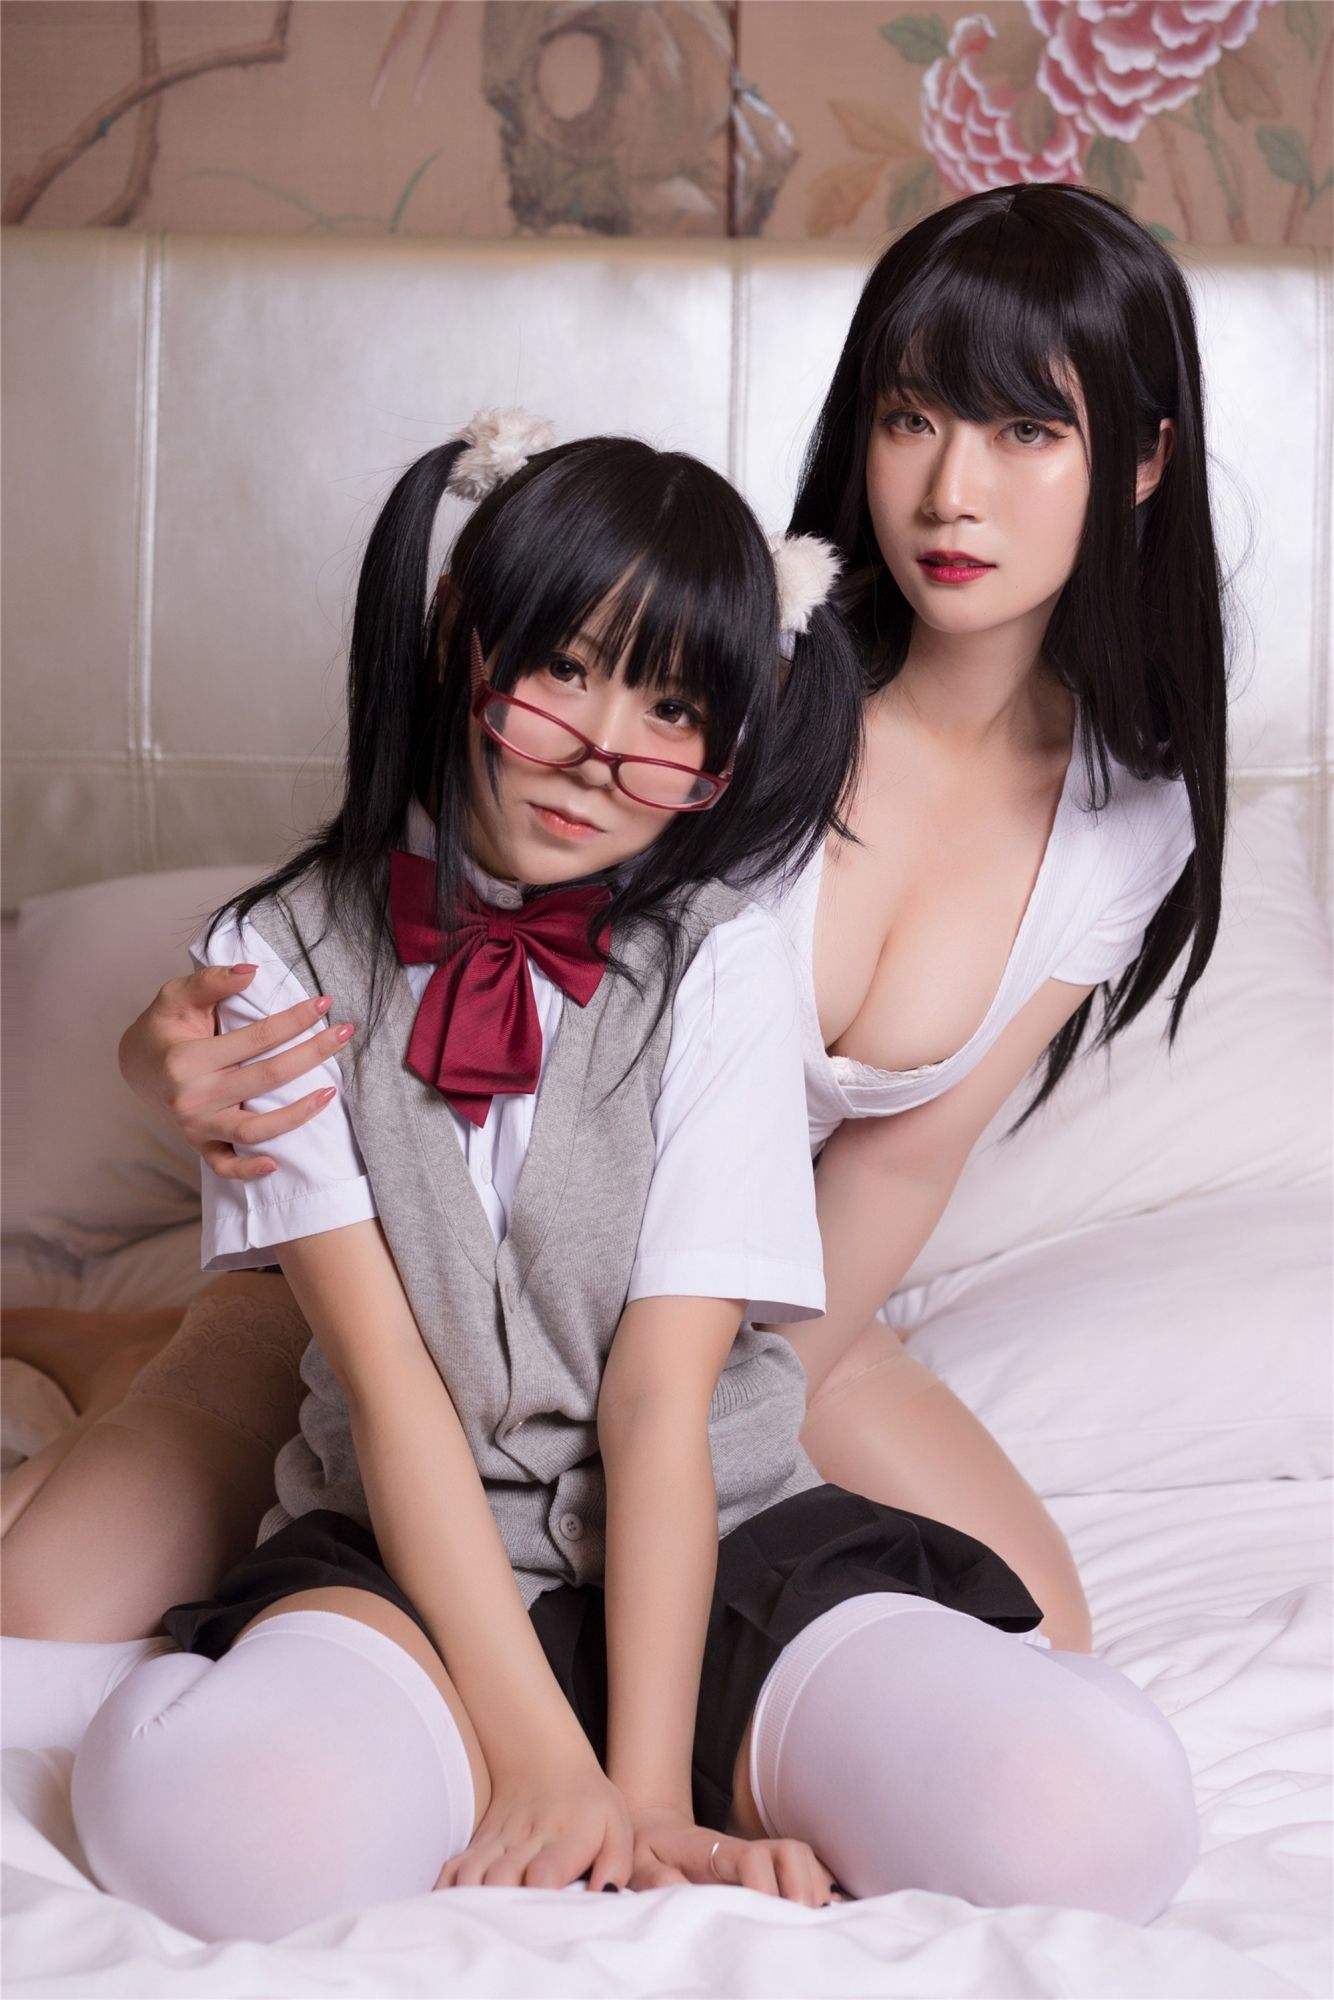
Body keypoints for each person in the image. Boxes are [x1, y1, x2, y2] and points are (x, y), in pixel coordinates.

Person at [71, 183, 1224, 1665]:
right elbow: (374, 935)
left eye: (1025, 430)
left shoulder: (1127, 817)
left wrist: (668, 1445)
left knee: (1039, 1633)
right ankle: (110, 1341)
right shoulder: (720, 685)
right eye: (910, 416)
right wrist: (152, 1059)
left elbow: (900, 1162)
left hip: (720, 1320)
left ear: (1143, 460)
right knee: (51, 1606)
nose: (952, 492)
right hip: (416, 1290)